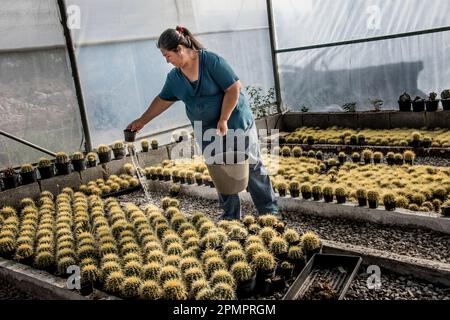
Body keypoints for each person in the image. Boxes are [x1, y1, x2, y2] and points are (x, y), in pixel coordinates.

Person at [127, 26, 278, 220]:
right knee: (220, 170)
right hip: (207, 129)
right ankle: (231, 216)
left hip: (235, 122)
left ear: (180, 49)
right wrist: (142, 121)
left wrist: (223, 119)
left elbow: (233, 89)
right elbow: (162, 100)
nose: (166, 60)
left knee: (251, 166)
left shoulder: (211, 62)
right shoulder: (175, 77)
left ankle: (269, 212)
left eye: (167, 55)